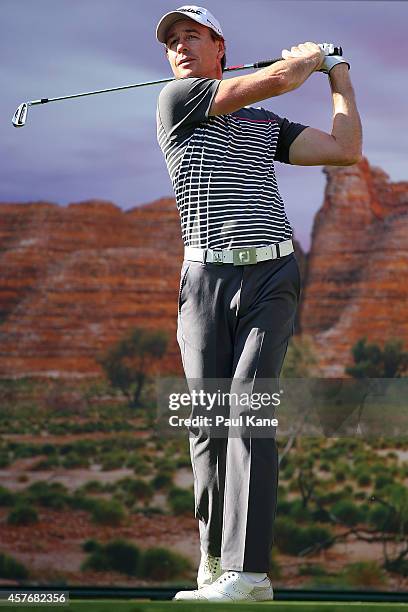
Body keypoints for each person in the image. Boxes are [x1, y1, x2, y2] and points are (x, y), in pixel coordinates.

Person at [155, 4, 362, 602]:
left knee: (248, 409)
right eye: (172, 41)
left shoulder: (264, 123)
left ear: (221, 46)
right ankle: (214, 559)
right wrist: (303, 61)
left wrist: (338, 74)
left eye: (192, 37)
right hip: (204, 283)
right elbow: (275, 78)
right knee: (209, 425)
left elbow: (344, 149)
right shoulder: (177, 101)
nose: (179, 48)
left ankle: (249, 575)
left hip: (272, 275)